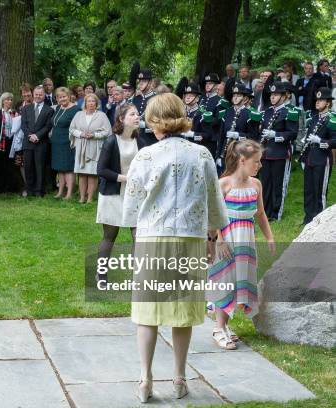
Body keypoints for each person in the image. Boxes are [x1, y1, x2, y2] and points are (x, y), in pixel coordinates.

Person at [121, 93, 229, 403]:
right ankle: (179, 378)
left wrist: (136, 236)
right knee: (182, 310)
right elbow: (213, 200)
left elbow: (132, 204)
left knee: (147, 310)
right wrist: (212, 237)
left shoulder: (146, 156)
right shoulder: (202, 154)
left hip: (153, 238)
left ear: (154, 121)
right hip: (190, 239)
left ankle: (145, 378)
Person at [207, 139, 275, 350]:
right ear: (242, 160)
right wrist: (219, 239)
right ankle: (219, 328)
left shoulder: (256, 185)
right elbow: (214, 214)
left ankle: (225, 326)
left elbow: (261, 214)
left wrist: (270, 237)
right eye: (257, 162)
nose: (260, 166)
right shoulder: (224, 184)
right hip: (227, 240)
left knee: (239, 281)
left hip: (246, 240)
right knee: (225, 279)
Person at [95, 105, 140, 282]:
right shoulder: (111, 141)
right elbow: (101, 170)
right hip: (112, 195)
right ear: (121, 119)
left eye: (137, 114)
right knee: (109, 236)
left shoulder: (140, 140)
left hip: (135, 196)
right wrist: (124, 178)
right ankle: (101, 274)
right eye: (132, 114)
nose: (137, 117)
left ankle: (138, 277)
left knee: (139, 236)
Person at [259, 81, 299, 221]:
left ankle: (277, 214)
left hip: (280, 153)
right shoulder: (267, 111)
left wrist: (275, 135)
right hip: (265, 153)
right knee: (266, 184)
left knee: (278, 184)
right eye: (272, 95)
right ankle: (266, 213)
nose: (272, 97)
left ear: (284, 96)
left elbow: (293, 133)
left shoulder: (290, 112)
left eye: (276, 95)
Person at [300, 88, 336, 224]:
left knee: (320, 190)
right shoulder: (314, 118)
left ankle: (320, 219)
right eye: (317, 100)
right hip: (310, 157)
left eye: (321, 100)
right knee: (308, 189)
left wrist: (321, 141)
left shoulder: (332, 119)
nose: (317, 102)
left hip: (322, 158)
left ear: (327, 103)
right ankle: (308, 218)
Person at [69, 93, 111, 203]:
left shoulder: (102, 115)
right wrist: (81, 134)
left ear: (96, 103)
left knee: (92, 173)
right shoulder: (78, 114)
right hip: (81, 147)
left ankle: (90, 198)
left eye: (93, 101)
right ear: (85, 103)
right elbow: (72, 129)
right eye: (89, 101)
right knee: (82, 173)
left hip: (95, 147)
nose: (91, 103)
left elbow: (107, 132)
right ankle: (82, 197)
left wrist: (94, 135)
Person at [214, 82, 260, 172]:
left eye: (238, 95)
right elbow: (221, 136)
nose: (235, 97)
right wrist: (218, 155)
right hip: (226, 154)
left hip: (242, 155)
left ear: (245, 98)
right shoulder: (226, 112)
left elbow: (254, 137)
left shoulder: (250, 115)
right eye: (234, 95)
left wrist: (238, 135)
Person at [21, 85, 54, 197]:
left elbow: (48, 126)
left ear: (44, 95)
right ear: (33, 95)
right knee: (28, 167)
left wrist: (37, 136)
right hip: (28, 142)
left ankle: (39, 191)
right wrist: (30, 135)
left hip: (41, 143)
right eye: (36, 94)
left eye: (40, 94)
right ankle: (29, 190)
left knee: (40, 167)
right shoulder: (25, 108)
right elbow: (23, 125)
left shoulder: (49, 110)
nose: (38, 96)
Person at [50, 87, 80, 199]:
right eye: (59, 97)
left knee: (68, 168)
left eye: (64, 96)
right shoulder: (58, 108)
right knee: (60, 168)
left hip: (68, 141)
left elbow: (77, 126)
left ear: (69, 96)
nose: (62, 99)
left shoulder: (76, 109)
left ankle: (69, 193)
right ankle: (60, 191)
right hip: (56, 142)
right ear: (57, 98)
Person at [0, 92, 19, 194]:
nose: (9, 101)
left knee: (10, 165)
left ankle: (9, 188)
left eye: (10, 100)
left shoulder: (14, 113)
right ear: (2, 101)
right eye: (7, 99)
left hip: (11, 142)